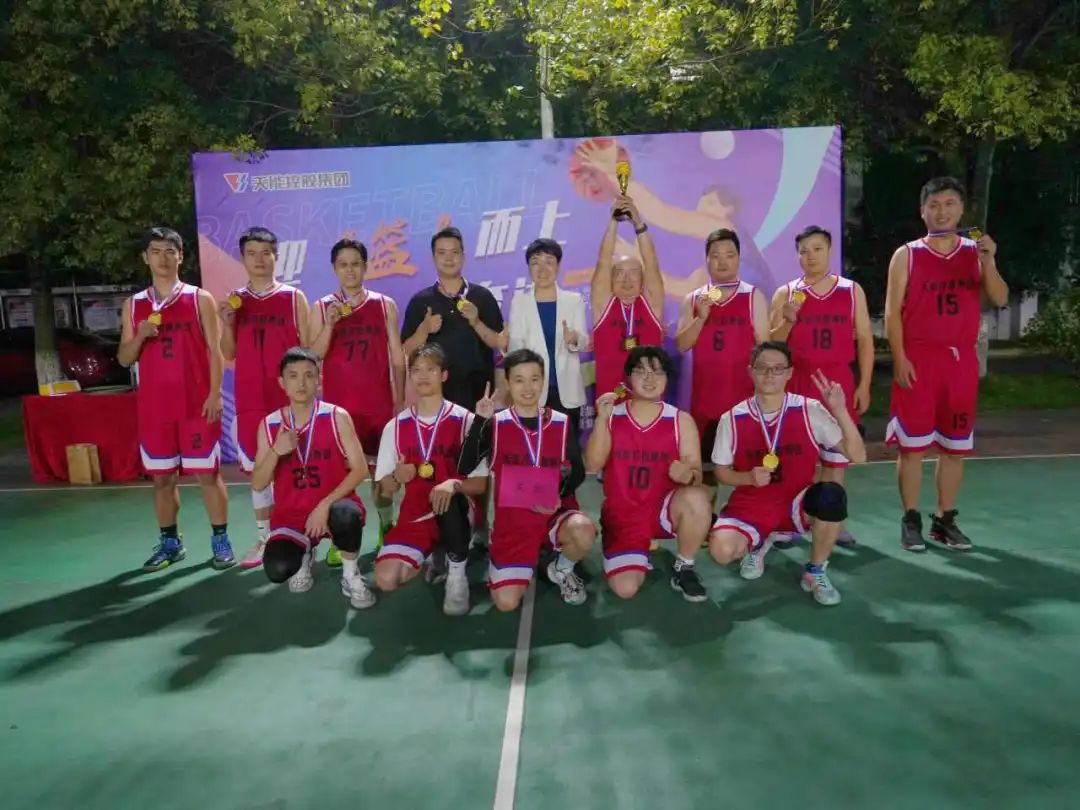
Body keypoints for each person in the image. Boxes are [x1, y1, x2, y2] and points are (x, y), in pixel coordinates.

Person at [884, 177, 1008, 552]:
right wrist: (900, 357)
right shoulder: (907, 254)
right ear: (922, 211)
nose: (942, 212)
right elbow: (892, 313)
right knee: (912, 446)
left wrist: (989, 260)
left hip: (959, 360)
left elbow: (1000, 297)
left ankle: (945, 519)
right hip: (919, 358)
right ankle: (910, 519)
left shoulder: (975, 251)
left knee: (955, 446)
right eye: (934, 205)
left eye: (950, 204)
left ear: (961, 209)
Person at [708, 342, 866, 605]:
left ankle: (815, 571)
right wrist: (748, 478)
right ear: (750, 371)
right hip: (752, 504)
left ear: (790, 373)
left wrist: (840, 410)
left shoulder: (809, 409)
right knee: (721, 551)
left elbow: (857, 455)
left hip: (796, 502)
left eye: (778, 368)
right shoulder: (732, 418)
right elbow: (721, 473)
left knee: (831, 495)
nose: (770, 374)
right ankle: (759, 541)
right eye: (762, 368)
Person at [118, 227, 233, 571]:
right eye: (156, 251)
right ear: (145, 257)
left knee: (208, 475)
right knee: (163, 479)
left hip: (197, 405)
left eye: (170, 251)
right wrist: (140, 335)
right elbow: (124, 358)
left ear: (181, 256)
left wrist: (215, 393)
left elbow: (215, 351)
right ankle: (170, 543)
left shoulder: (199, 298)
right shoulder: (133, 305)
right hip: (156, 409)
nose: (163, 258)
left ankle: (221, 540)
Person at [459, 349, 597, 610]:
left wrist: (558, 494)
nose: (528, 387)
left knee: (583, 530)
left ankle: (561, 568)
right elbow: (464, 467)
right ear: (508, 383)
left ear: (543, 380)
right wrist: (479, 422)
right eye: (519, 380)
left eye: (535, 379)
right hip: (514, 526)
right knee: (506, 603)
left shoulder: (561, 422)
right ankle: (532, 560)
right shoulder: (495, 424)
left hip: (553, 516)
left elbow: (577, 472)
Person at [768, 225, 873, 548]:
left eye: (817, 249)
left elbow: (865, 339)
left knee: (835, 459)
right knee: (794, 460)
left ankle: (831, 520)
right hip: (798, 382)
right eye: (804, 251)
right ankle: (788, 520)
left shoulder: (851, 290)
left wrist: (865, 384)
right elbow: (771, 345)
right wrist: (787, 319)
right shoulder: (786, 294)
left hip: (838, 382)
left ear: (829, 251)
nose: (810, 256)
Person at [585, 346, 712, 603]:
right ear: (628, 377)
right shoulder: (612, 416)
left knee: (697, 499)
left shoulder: (680, 420)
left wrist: (688, 475)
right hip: (624, 514)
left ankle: (684, 566)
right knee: (626, 589)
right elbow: (592, 465)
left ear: (667, 378)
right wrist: (601, 420)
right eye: (641, 371)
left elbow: (697, 474)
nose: (649, 378)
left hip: (663, 509)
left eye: (657, 372)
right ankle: (627, 548)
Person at [251, 347, 375, 608]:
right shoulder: (269, 425)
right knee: (278, 568)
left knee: (347, 516)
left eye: (309, 375)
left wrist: (324, 505)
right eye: (293, 376)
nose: (302, 383)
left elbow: (360, 469)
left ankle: (351, 575)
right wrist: (276, 451)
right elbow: (258, 483)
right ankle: (304, 552)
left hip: (333, 506)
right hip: (291, 515)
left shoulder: (337, 417)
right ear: (282, 383)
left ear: (319, 380)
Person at [372, 344, 489, 616]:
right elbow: (384, 493)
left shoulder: (466, 421)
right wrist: (395, 477)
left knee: (447, 500)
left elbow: (480, 485)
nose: (423, 376)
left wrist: (453, 484)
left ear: (444, 375)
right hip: (416, 515)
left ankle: (456, 576)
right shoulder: (395, 427)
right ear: (410, 376)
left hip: (457, 511)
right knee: (386, 579)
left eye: (431, 369)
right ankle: (437, 553)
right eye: (416, 370)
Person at [219, 226, 310, 568]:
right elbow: (228, 352)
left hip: (288, 399)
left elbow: (308, 350)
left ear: (276, 256)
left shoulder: (293, 298)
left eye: (265, 253)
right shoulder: (235, 300)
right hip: (250, 399)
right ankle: (264, 538)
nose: (259, 259)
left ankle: (301, 534)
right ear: (243, 258)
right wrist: (227, 324)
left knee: (296, 468)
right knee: (259, 470)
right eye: (251, 253)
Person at [309, 238, 405, 564]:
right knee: (340, 477)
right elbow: (312, 356)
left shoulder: (384, 305)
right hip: (339, 411)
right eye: (343, 265)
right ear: (334, 269)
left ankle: (386, 525)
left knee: (383, 477)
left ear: (365, 267)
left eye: (355, 264)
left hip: (378, 405)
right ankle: (341, 536)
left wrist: (400, 401)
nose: (350, 270)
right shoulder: (322, 307)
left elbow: (397, 357)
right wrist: (329, 325)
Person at [674, 228, 768, 484]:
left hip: (745, 404)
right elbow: (682, 344)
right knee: (706, 478)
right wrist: (700, 318)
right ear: (706, 260)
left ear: (739, 258)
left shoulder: (753, 297)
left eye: (729, 254)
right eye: (715, 255)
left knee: (749, 472)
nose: (722, 261)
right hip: (705, 405)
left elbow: (765, 351)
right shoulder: (693, 299)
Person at [401, 227, 505, 410]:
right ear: (433, 258)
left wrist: (476, 322)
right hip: (435, 399)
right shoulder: (420, 301)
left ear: (463, 256)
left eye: (454, 252)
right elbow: (406, 350)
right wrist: (424, 330)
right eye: (442, 253)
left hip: (479, 396)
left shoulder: (482, 296)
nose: (448, 259)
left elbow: (500, 343)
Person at [504, 238, 590, 434]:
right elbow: (516, 349)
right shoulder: (519, 302)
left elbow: (583, 341)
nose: (542, 269)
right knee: (535, 446)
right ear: (529, 268)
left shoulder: (574, 301)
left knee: (568, 446)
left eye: (549, 262)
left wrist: (574, 339)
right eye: (535, 262)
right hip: (531, 391)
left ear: (558, 266)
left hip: (567, 390)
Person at [590, 195, 665, 398]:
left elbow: (651, 264)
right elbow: (603, 262)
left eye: (633, 273)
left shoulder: (651, 304)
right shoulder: (603, 306)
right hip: (610, 405)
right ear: (611, 280)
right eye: (620, 273)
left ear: (642, 280)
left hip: (648, 403)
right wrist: (614, 221)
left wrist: (638, 224)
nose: (626, 279)